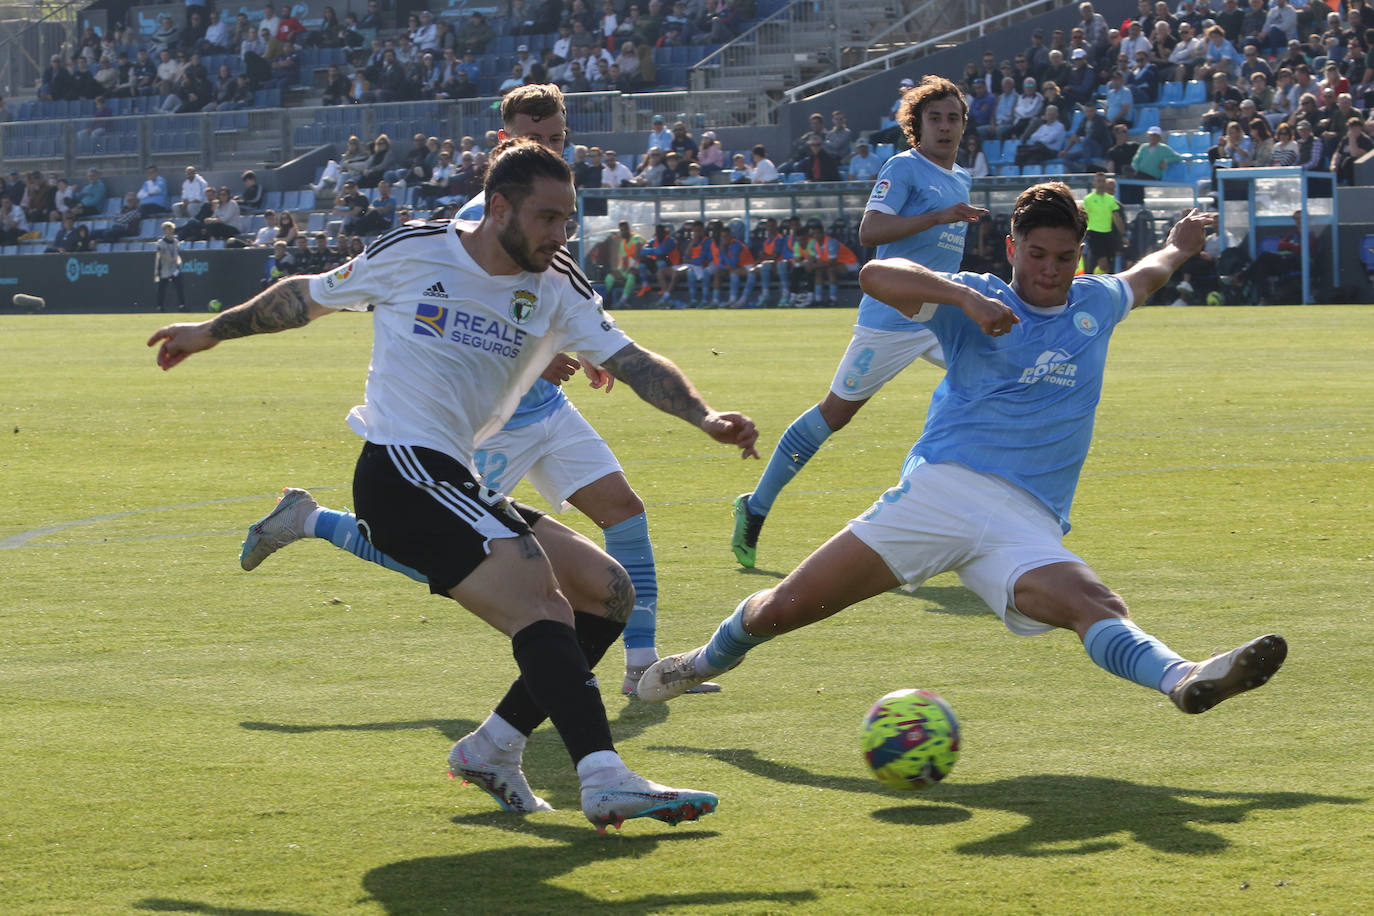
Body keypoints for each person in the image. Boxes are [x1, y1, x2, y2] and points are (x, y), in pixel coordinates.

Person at [147, 139, 758, 831]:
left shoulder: (558, 285)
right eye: (548, 218)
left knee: (606, 592)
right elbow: (306, 298)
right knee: (543, 606)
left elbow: (632, 359)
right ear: (499, 207)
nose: (562, 235)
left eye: (569, 219)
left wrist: (704, 416)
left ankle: (493, 747)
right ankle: (604, 776)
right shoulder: (415, 251)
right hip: (400, 470)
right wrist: (210, 331)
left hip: (455, 477)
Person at [641, 183, 1288, 738]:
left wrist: (1179, 243)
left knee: (1091, 600)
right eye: (1036, 255)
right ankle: (698, 663)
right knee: (783, 609)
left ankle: (1184, 679)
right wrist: (966, 302)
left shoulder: (1096, 303)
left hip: (1026, 520)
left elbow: (1150, 273)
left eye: (1064, 257)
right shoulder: (973, 297)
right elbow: (874, 275)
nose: (1050, 270)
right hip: (941, 495)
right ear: (1013, 248)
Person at [236, 84, 739, 699]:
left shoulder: (552, 202)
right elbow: (469, 315)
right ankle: (311, 520)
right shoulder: (483, 217)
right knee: (439, 550)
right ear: (505, 143)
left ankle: (643, 667)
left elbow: (546, 302)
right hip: (480, 425)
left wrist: (579, 347)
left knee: (624, 511)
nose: (551, 148)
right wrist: (543, 354)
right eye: (537, 138)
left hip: (548, 409)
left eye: (557, 138)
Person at [730, 76, 987, 567]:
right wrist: (936, 218)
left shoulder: (960, 179)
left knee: (989, 384)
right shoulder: (904, 167)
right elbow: (871, 231)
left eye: (953, 118)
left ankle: (946, 507)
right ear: (917, 125)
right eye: (935, 118)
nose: (945, 126)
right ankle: (755, 507)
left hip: (939, 316)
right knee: (835, 414)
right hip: (891, 317)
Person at [1083, 170, 1126, 272]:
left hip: (1108, 234)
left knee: (1109, 264)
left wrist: (1123, 235)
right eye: (1098, 181)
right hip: (1094, 234)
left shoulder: (1110, 199)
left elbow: (1117, 218)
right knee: (1102, 263)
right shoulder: (1088, 199)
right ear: (1095, 183)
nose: (1101, 183)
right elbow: (1085, 216)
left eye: (1103, 181)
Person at [153, 221, 187, 312]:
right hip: (165, 268)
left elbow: (177, 252)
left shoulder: (176, 241)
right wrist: (169, 259)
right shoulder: (161, 242)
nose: (169, 231)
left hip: (174, 268)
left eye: (170, 229)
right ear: (164, 231)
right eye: (166, 229)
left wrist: (177, 261)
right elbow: (160, 253)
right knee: (162, 289)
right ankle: (160, 306)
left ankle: (182, 305)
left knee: (179, 287)